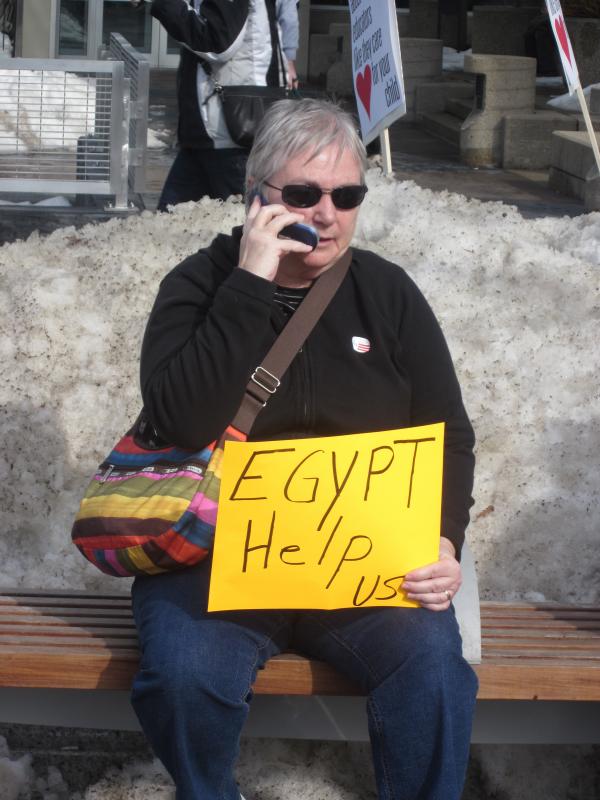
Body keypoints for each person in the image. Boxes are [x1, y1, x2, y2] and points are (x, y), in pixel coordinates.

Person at [132, 99, 478, 800]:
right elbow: (181, 419)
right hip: (218, 559)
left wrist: (444, 539)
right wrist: (249, 284)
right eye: (302, 194)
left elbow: (449, 432)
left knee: (436, 669)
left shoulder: (387, 293)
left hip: (362, 569)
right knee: (183, 674)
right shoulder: (197, 286)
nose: (326, 212)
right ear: (256, 197)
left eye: (345, 196)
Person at [148, 0, 299, 211]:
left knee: (245, 226)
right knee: (167, 228)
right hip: (209, 134)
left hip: (231, 133)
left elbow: (217, 43)